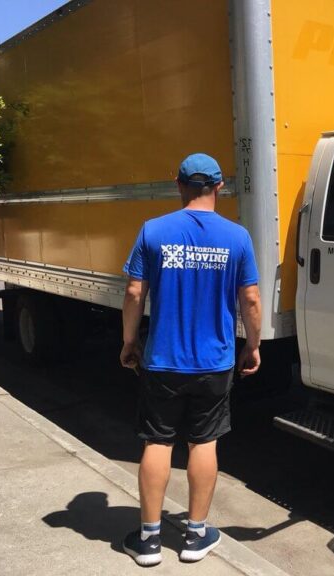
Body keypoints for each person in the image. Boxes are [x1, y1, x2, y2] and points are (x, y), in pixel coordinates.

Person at [119, 152, 261, 566]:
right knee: (204, 442)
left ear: (179, 185)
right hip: (214, 362)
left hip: (163, 359)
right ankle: (196, 536)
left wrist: (129, 341)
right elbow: (250, 299)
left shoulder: (153, 231)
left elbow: (133, 293)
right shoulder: (238, 237)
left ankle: (147, 541)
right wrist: (252, 346)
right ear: (219, 188)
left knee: (158, 442)